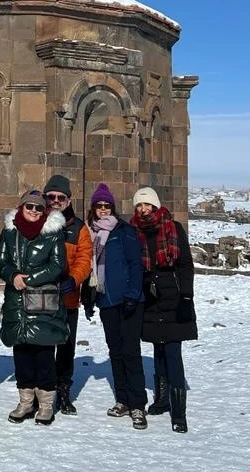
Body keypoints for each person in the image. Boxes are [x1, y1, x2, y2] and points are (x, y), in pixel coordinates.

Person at [0, 190, 68, 426]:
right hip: (17, 302)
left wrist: (29, 278)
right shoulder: (10, 232)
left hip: (42, 301)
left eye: (38, 208)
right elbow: (0, 261)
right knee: (22, 354)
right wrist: (12, 274)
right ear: (21, 207)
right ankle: (26, 403)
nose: (34, 212)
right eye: (29, 207)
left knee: (44, 353)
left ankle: (46, 405)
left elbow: (58, 265)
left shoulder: (52, 233)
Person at [81, 183, 147, 429]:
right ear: (93, 209)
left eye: (107, 205)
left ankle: (138, 403)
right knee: (115, 352)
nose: (103, 210)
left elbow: (135, 264)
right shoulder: (91, 233)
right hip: (106, 300)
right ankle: (123, 400)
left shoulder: (124, 230)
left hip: (128, 301)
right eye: (99, 206)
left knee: (130, 352)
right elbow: (90, 270)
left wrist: (132, 294)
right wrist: (89, 300)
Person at [131, 186, 196, 433]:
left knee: (172, 352)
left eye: (147, 204)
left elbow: (186, 265)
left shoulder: (173, 228)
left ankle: (179, 414)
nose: (143, 209)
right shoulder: (135, 231)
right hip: (149, 296)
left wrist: (187, 297)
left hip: (173, 296)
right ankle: (161, 400)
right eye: (139, 205)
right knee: (157, 348)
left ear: (156, 206)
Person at [41, 175, 92, 415]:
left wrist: (74, 279)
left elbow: (84, 258)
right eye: (51, 197)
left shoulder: (78, 227)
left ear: (69, 200)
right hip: (41, 296)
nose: (55, 201)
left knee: (66, 347)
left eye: (60, 197)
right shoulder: (36, 220)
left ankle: (63, 391)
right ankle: (44, 393)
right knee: (42, 346)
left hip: (68, 297)